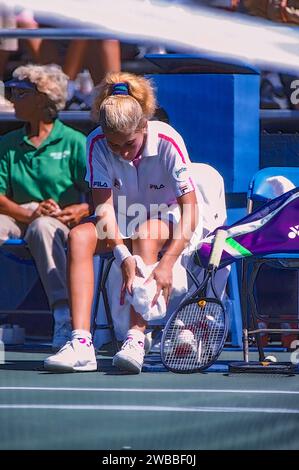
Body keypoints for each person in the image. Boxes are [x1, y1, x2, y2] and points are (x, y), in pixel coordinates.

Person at [44, 71, 202, 374]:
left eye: (128, 144)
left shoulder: (169, 140)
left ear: (143, 126)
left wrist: (168, 262)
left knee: (146, 233)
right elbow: (102, 208)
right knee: (78, 236)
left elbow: (191, 210)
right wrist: (123, 255)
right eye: (114, 147)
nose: (123, 153)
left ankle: (136, 338)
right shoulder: (96, 143)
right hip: (119, 219)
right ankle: (81, 343)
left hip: (166, 218)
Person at [0, 64, 90, 350]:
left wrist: (80, 210)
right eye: (10, 91)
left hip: (59, 220)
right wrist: (29, 212)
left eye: (20, 92)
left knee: (42, 227)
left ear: (42, 98)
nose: (12, 98)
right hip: (19, 214)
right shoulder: (8, 143)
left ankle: (64, 315)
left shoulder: (75, 142)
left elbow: (97, 193)